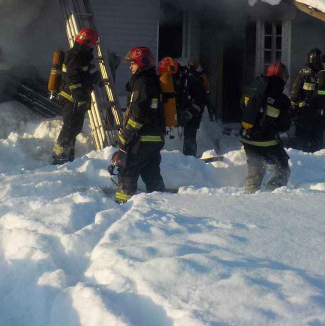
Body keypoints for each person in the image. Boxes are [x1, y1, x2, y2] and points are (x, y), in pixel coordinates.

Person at [111, 46, 165, 203]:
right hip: (154, 138)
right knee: (151, 172)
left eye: (133, 63)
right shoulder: (152, 81)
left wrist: (125, 136)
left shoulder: (142, 83)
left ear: (142, 62)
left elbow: (138, 115)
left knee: (128, 168)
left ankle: (123, 204)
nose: (130, 67)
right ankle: (161, 203)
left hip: (142, 138)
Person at [239, 61, 292, 192]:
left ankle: (250, 193)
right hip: (266, 141)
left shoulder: (253, 90)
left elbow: (242, 106)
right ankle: (271, 194)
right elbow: (284, 126)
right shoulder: (282, 100)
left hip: (246, 137)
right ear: (282, 77)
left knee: (256, 169)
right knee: (283, 169)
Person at [51, 28, 101, 165]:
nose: (93, 46)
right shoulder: (73, 56)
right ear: (87, 42)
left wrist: (95, 79)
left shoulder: (83, 57)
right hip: (71, 98)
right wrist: (80, 96)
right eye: (92, 43)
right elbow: (71, 78)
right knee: (69, 126)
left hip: (78, 98)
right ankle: (59, 157)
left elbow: (84, 76)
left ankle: (68, 157)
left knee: (75, 128)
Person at [176, 59, 211, 156]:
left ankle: (189, 157)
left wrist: (189, 113)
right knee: (189, 135)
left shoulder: (193, 79)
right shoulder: (185, 77)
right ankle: (187, 157)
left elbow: (200, 100)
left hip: (193, 113)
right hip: (188, 110)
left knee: (190, 136)